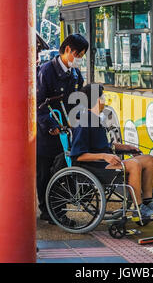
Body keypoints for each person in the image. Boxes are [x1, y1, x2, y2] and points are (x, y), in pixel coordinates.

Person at [70, 84, 153, 222]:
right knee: (134, 165)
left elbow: (104, 145)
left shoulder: (95, 119)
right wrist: (104, 156)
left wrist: (128, 147)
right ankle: (139, 209)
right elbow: (78, 155)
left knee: (149, 160)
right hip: (95, 167)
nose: (104, 99)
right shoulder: (84, 121)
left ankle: (148, 201)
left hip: (105, 163)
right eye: (102, 96)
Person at [0, 33, 49, 250]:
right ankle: (5, 239)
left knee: (4, 188)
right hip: (9, 141)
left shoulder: (2, 65)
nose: (37, 57)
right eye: (35, 52)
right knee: (6, 189)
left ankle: (1, 238)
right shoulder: (6, 69)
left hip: (7, 141)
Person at [36, 34, 89, 224]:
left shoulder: (75, 73)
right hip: (47, 133)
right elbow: (37, 104)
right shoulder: (46, 71)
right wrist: (51, 125)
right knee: (44, 173)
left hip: (66, 132)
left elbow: (79, 100)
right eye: (79, 54)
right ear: (68, 50)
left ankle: (57, 211)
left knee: (61, 172)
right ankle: (47, 211)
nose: (80, 58)